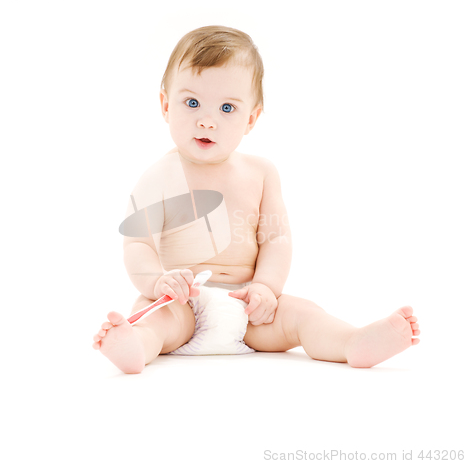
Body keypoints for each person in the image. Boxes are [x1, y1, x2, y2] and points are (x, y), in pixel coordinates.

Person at [92, 25, 420, 373]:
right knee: (155, 317)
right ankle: (136, 346)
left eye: (227, 109)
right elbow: (137, 244)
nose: (206, 121)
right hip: (183, 301)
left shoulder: (261, 174)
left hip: (249, 307)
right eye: (192, 103)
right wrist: (158, 282)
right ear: (165, 104)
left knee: (303, 314)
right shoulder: (158, 176)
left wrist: (265, 288)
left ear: (251, 118)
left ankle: (352, 342)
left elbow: (276, 239)